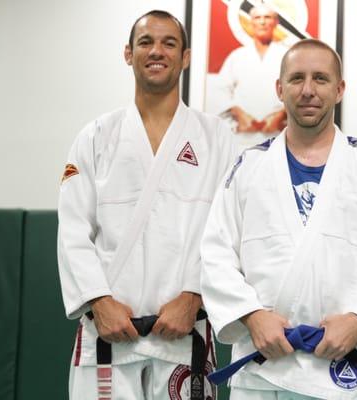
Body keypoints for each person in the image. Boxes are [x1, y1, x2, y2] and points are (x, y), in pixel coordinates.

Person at [200, 39, 357, 399]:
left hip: (345, 367)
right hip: (264, 368)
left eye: (320, 79)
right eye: (297, 79)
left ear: (339, 89)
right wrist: (252, 315)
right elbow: (215, 254)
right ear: (279, 89)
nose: (307, 90)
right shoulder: (247, 167)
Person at [57, 10, 235, 399]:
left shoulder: (216, 137)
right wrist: (98, 301)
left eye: (169, 43)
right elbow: (72, 230)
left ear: (185, 57)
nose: (157, 51)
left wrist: (194, 295)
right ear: (127, 53)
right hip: (107, 334)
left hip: (185, 333)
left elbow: (228, 231)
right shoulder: (95, 136)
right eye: (146, 42)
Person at [211, 3, 287, 142]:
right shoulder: (237, 56)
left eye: (268, 17)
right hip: (243, 136)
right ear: (251, 23)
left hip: (278, 134)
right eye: (257, 18)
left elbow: (297, 90)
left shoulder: (286, 56)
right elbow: (219, 90)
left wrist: (282, 114)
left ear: (276, 22)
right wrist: (238, 113)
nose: (262, 22)